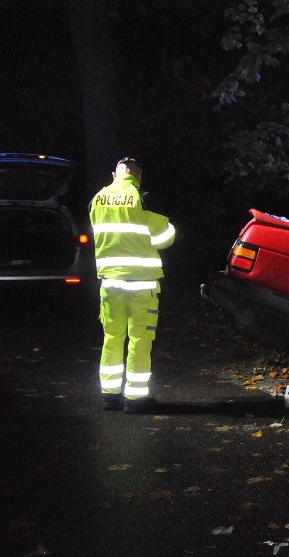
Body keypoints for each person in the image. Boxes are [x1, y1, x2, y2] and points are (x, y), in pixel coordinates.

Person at [89, 157, 176, 413]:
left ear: (114, 175)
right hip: (141, 284)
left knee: (112, 337)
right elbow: (165, 238)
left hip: (110, 283)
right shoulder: (143, 198)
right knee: (140, 339)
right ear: (139, 176)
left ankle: (110, 395)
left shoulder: (97, 200)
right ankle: (135, 399)